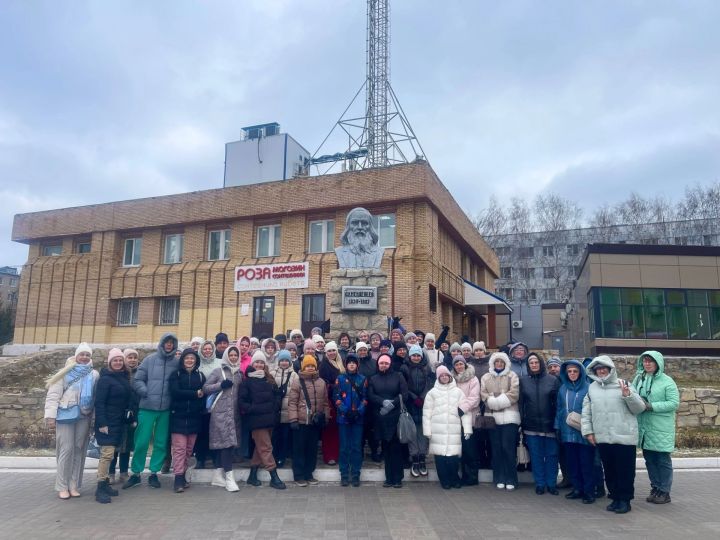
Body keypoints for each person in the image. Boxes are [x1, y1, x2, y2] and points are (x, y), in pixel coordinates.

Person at [581, 356, 646, 514]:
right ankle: (615, 497)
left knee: (624, 470)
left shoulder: (624, 384)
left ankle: (625, 500)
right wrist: (588, 432)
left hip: (624, 436)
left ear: (611, 369)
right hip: (603, 437)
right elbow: (586, 411)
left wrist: (628, 395)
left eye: (604, 368)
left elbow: (639, 408)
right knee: (609, 470)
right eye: (598, 369)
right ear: (594, 371)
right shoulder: (592, 388)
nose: (601, 371)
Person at [123, 333, 179, 490]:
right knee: (141, 441)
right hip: (147, 407)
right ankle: (136, 473)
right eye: (166, 342)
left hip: (166, 409)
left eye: (171, 343)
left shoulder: (176, 362)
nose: (169, 345)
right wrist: (145, 392)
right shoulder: (149, 360)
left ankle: (154, 473)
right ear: (162, 343)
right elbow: (137, 380)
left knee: (160, 442)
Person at [44, 343, 100, 499]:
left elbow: (96, 397)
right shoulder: (65, 372)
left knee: (78, 449)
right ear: (76, 356)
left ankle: (73, 484)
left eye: (87, 355)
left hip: (84, 414)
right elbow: (53, 395)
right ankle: (62, 485)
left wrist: (95, 418)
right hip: (65, 414)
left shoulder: (94, 374)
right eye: (82, 354)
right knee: (66, 449)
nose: (84, 357)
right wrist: (50, 416)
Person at [632, 351, 679, 505]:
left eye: (651, 361)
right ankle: (656, 488)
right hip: (644, 427)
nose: (647, 364)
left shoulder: (667, 381)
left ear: (658, 363)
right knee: (650, 460)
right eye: (645, 361)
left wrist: (651, 406)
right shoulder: (639, 378)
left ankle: (664, 491)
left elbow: (673, 403)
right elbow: (632, 395)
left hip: (661, 428)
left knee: (662, 460)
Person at [239, 356, 285, 489]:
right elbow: (242, 402)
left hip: (270, 419)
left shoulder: (269, 379)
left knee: (260, 448)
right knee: (266, 447)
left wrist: (274, 407)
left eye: (261, 362)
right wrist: (253, 409)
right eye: (257, 362)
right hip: (256, 420)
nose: (259, 365)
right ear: (253, 364)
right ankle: (274, 476)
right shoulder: (247, 382)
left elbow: (277, 395)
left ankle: (252, 476)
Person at [423, 366, 472, 489]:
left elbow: (465, 412)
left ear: (450, 377)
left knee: (453, 458)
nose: (444, 377)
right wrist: (427, 430)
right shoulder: (432, 393)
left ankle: (454, 479)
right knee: (440, 459)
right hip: (437, 430)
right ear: (438, 378)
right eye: (442, 376)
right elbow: (426, 413)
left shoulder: (458, 392)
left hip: (453, 430)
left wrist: (467, 428)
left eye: (446, 375)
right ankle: (444, 481)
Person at [93, 348, 132, 503]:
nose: (117, 362)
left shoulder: (123, 377)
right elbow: (99, 402)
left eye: (120, 360)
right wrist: (102, 422)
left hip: (119, 422)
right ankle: (100, 487)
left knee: (111, 453)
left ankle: (105, 485)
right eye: (114, 360)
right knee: (107, 454)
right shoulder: (105, 379)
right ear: (110, 362)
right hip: (107, 422)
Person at [203, 345, 243, 492]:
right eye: (231, 355)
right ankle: (229, 478)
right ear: (226, 356)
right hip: (220, 414)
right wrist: (221, 385)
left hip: (234, 414)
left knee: (227, 445)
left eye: (235, 355)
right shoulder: (218, 371)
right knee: (225, 444)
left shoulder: (239, 374)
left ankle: (217, 475)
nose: (233, 357)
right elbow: (206, 387)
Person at [520, 352, 561, 495]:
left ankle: (551, 483)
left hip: (549, 425)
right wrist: (522, 421)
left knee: (551, 455)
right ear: (528, 365)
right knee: (536, 456)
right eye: (531, 363)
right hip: (531, 425)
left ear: (541, 363)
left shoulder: (552, 380)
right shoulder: (523, 381)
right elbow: (521, 403)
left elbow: (558, 404)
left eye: (536, 362)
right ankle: (540, 483)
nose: (534, 365)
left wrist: (557, 423)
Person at [555, 359, 595, 503]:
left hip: (583, 432)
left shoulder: (589, 387)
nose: (572, 374)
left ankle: (589, 491)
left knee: (586, 463)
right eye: (569, 371)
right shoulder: (563, 389)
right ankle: (577, 488)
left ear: (581, 372)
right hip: (567, 432)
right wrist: (557, 426)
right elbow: (559, 409)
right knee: (572, 463)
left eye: (575, 371)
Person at [480, 352, 520, 491]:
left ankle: (511, 478)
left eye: (501, 362)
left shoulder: (512, 376)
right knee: (496, 449)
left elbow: (514, 394)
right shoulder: (485, 377)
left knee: (508, 449)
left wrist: (496, 400)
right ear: (493, 363)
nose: (499, 364)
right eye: (496, 362)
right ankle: (499, 477)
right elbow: (484, 394)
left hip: (509, 417)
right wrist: (494, 400)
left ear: (505, 363)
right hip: (492, 418)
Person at [288, 355, 330, 487]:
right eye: (308, 366)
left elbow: (325, 402)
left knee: (312, 449)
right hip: (301, 422)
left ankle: (308, 473)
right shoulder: (297, 381)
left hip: (315, 422)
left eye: (312, 366)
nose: (310, 368)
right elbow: (292, 402)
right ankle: (298, 475)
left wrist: (326, 417)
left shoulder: (321, 382)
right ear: (303, 367)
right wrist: (293, 419)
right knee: (299, 449)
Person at [168, 348, 206, 493]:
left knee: (189, 450)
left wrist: (197, 400)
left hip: (194, 417)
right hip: (178, 416)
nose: (189, 361)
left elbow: (204, 394)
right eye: (187, 358)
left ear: (196, 361)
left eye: (192, 358)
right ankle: (178, 478)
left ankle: (182, 475)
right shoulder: (176, 375)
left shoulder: (201, 376)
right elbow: (176, 393)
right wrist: (195, 394)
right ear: (182, 360)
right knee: (179, 449)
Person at [368, 353, 409, 488]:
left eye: (386, 363)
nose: (383, 365)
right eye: (381, 363)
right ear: (378, 364)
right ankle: (389, 478)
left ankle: (398, 478)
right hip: (381, 416)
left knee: (396, 449)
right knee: (386, 449)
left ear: (390, 364)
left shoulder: (398, 376)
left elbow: (404, 394)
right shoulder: (373, 378)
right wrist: (382, 402)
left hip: (396, 417)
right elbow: (371, 394)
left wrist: (393, 403)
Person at [333, 354, 368, 486]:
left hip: (358, 419)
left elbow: (365, 397)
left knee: (356, 447)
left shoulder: (363, 379)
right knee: (344, 447)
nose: (352, 365)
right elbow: (336, 396)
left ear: (357, 365)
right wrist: (345, 410)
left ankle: (355, 474)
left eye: (354, 363)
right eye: (349, 363)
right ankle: (344, 474)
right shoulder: (340, 378)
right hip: (344, 418)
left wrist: (358, 411)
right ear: (346, 365)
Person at [400, 344, 433, 477]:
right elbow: (403, 385)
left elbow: (430, 384)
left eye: (418, 355)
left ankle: (422, 459)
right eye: (413, 355)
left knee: (423, 432)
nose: (416, 357)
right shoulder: (405, 367)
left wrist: (423, 397)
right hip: (411, 403)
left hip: (424, 403)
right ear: (410, 356)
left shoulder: (426, 367)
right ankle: (414, 459)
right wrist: (414, 398)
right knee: (412, 432)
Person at [109, 348, 139, 484]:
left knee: (126, 445)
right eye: (129, 357)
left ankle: (123, 472)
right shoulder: (118, 374)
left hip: (130, 414)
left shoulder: (140, 373)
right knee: (114, 446)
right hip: (115, 414)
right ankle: (110, 473)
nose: (132, 360)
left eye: (134, 357)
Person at [452, 356, 481, 486]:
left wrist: (462, 409)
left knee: (470, 449)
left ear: (465, 365)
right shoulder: (452, 379)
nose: (459, 366)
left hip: (469, 417)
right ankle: (461, 475)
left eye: (461, 364)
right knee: (460, 449)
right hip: (455, 419)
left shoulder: (473, 379)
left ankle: (471, 477)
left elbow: (474, 398)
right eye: (456, 364)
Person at [193, 340, 221, 469]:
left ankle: (216, 458)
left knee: (215, 431)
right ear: (201, 350)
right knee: (202, 431)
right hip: (200, 401)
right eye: (205, 349)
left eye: (210, 348)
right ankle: (200, 458)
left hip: (216, 401)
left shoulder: (219, 363)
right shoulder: (197, 364)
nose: (208, 351)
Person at [272, 350, 298, 468]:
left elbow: (296, 391)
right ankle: (274, 456)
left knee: (285, 437)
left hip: (287, 411)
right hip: (275, 411)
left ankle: (281, 458)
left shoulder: (294, 375)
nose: (283, 363)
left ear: (289, 362)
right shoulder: (272, 373)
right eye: (281, 360)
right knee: (274, 436)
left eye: (286, 361)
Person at [319, 341, 343, 465]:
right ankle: (329, 455)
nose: (332, 353)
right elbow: (324, 383)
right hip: (329, 401)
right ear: (326, 353)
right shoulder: (324, 365)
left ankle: (338, 454)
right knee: (329, 429)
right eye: (329, 351)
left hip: (341, 400)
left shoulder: (340, 363)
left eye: (333, 350)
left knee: (339, 429)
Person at [356, 341, 381, 462]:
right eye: (360, 350)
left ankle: (374, 451)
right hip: (358, 400)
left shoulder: (374, 363)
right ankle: (359, 451)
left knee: (373, 429)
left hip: (372, 400)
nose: (362, 352)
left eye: (364, 350)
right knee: (360, 427)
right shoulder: (355, 364)